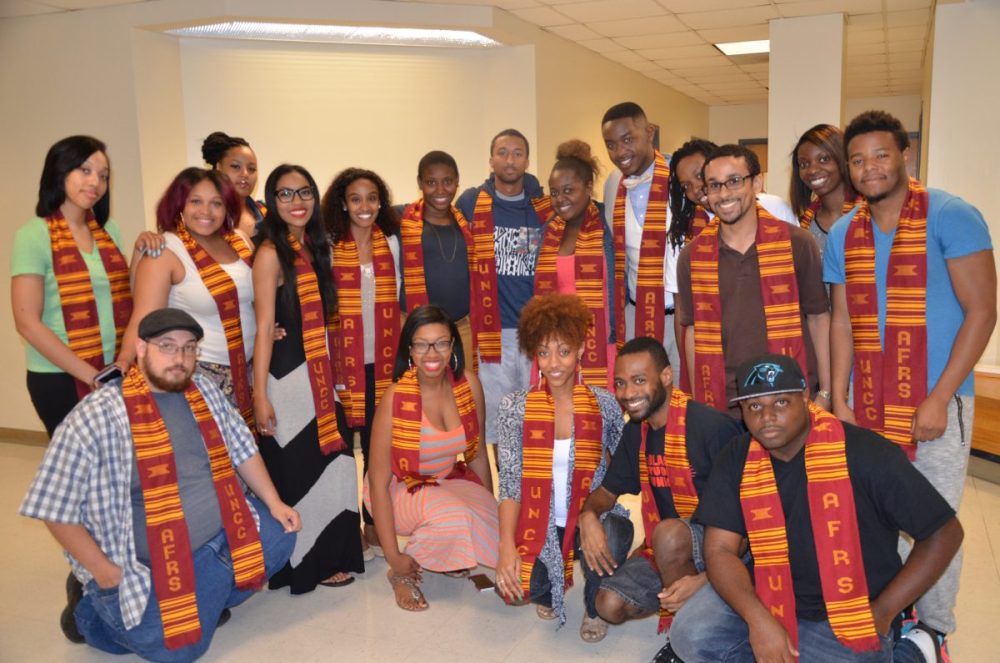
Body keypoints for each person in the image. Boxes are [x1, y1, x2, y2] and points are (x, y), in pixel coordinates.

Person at [19, 307, 300, 661]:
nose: (179, 358)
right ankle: (88, 613)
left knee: (282, 533)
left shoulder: (204, 392)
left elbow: (242, 449)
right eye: (166, 346)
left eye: (189, 347)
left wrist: (274, 503)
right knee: (179, 652)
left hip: (220, 536)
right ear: (140, 349)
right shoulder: (99, 414)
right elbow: (53, 507)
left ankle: (201, 601)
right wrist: (104, 572)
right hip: (146, 563)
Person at [825, 110, 996, 657]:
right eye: (857, 159)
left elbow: (982, 311)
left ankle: (936, 627)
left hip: (936, 403)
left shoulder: (951, 215)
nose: (869, 167)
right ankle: (892, 608)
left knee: (933, 520)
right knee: (874, 514)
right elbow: (841, 322)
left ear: (905, 157)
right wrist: (839, 397)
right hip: (868, 406)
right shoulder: (843, 233)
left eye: (881, 154)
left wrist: (941, 396)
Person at [669, 353, 964, 663]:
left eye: (780, 402)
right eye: (754, 406)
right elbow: (720, 551)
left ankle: (914, 647)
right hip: (767, 591)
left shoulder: (868, 453)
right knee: (691, 635)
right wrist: (758, 620)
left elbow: (944, 533)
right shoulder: (737, 456)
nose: (766, 417)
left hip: (846, 611)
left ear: (805, 397)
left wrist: (883, 611)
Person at [578, 336, 741, 649]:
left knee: (667, 534)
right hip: (672, 552)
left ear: (667, 376)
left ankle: (688, 634)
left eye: (639, 381)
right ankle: (690, 597)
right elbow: (607, 492)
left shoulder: (711, 427)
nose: (628, 394)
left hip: (726, 546)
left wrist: (706, 579)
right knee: (608, 605)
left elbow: (749, 518)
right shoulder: (635, 431)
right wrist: (588, 515)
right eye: (621, 383)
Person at [252, 164, 364, 593]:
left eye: (304, 193)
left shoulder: (313, 247)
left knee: (333, 466)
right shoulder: (270, 253)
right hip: (288, 377)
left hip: (319, 374)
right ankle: (301, 562)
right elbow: (264, 327)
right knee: (299, 471)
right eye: (285, 194)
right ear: (271, 201)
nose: (296, 202)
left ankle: (331, 553)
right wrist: (261, 394)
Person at [494, 294, 624, 640]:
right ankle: (548, 584)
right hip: (541, 520)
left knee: (614, 535)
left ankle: (594, 607)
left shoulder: (603, 404)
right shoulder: (514, 408)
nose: (554, 363)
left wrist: (593, 514)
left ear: (580, 350)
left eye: (564, 351)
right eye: (544, 351)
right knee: (516, 589)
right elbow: (509, 483)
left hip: (589, 516)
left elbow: (623, 469)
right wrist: (506, 546)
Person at [676, 144, 832, 417]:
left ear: (757, 183)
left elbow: (819, 318)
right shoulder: (692, 256)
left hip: (790, 398)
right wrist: (700, 403)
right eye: (714, 185)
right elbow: (692, 331)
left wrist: (826, 393)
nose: (724, 194)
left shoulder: (797, 243)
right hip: (724, 404)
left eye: (734, 182)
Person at [365, 305, 498, 611]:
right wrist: (393, 555)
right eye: (422, 344)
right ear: (409, 350)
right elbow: (378, 482)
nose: (432, 353)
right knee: (453, 516)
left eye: (441, 342)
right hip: (399, 490)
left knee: (496, 525)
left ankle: (449, 550)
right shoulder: (395, 397)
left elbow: (476, 456)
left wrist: (486, 508)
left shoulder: (468, 384)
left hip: (447, 481)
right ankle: (402, 575)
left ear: (453, 345)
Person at [11, 135, 133, 436]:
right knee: (77, 473)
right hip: (59, 378)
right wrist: (90, 375)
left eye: (103, 176)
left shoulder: (108, 231)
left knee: (115, 467)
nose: (95, 182)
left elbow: (125, 294)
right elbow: (27, 322)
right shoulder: (34, 235)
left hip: (111, 369)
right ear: (60, 171)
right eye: (85, 170)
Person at [121, 168, 256, 430]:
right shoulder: (166, 249)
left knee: (242, 460)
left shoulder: (240, 241)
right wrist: (124, 364)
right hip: (197, 376)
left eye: (216, 203)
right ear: (179, 204)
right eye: (196, 201)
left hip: (248, 374)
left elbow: (250, 302)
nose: (206, 211)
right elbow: (143, 319)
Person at [667, 137, 799, 394]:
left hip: (777, 346)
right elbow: (686, 318)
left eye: (699, 177)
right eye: (686, 185)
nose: (697, 189)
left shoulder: (773, 209)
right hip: (719, 359)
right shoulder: (683, 236)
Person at [323, 167, 403, 559]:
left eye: (372, 198)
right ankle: (346, 528)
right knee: (341, 452)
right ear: (343, 202)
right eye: (356, 199)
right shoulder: (327, 244)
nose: (365, 206)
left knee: (377, 451)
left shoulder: (391, 242)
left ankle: (374, 524)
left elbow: (401, 302)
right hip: (340, 365)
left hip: (383, 365)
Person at [456, 129, 553, 449]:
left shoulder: (543, 207)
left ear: (527, 160)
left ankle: (534, 490)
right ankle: (507, 490)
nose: (509, 160)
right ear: (490, 160)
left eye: (517, 153)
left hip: (533, 331)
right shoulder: (472, 202)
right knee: (498, 423)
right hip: (491, 333)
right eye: (502, 152)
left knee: (536, 415)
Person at [600, 102, 678, 369]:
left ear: (650, 132)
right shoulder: (613, 184)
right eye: (611, 145)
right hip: (635, 314)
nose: (620, 152)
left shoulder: (679, 177)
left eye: (628, 139)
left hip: (679, 317)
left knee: (683, 399)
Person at [534, 140, 617, 389]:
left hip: (600, 339)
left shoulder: (607, 225)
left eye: (569, 190)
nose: (560, 199)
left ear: (589, 187)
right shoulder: (549, 230)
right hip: (556, 344)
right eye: (555, 192)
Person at [400, 151, 475, 370]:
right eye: (431, 182)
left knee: (464, 393)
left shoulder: (467, 223)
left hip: (461, 328)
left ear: (457, 182)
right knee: (418, 398)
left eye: (448, 181)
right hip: (416, 329)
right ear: (419, 183)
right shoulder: (402, 219)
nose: (440, 190)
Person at [790, 124, 857, 260]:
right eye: (804, 164)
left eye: (824, 159)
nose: (812, 170)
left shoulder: (871, 216)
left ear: (844, 160)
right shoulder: (803, 226)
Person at [201, 131, 264, 237]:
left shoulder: (267, 214)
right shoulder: (203, 216)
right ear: (219, 168)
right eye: (236, 166)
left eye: (251, 169)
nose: (245, 174)